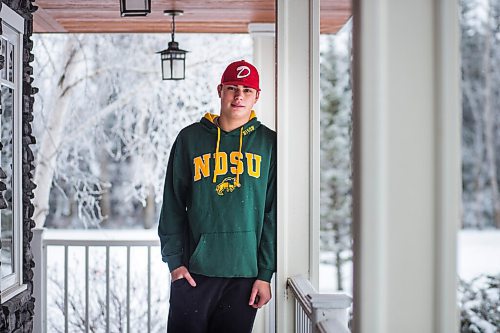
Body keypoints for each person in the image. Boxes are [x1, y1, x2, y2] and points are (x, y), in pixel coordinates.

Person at [158, 60, 277, 333]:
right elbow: (173, 203)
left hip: (245, 276)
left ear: (257, 96)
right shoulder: (190, 139)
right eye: (233, 88)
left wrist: (264, 274)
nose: (239, 96)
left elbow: (272, 213)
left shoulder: (269, 144)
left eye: (247, 90)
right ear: (220, 90)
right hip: (194, 273)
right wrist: (175, 263)